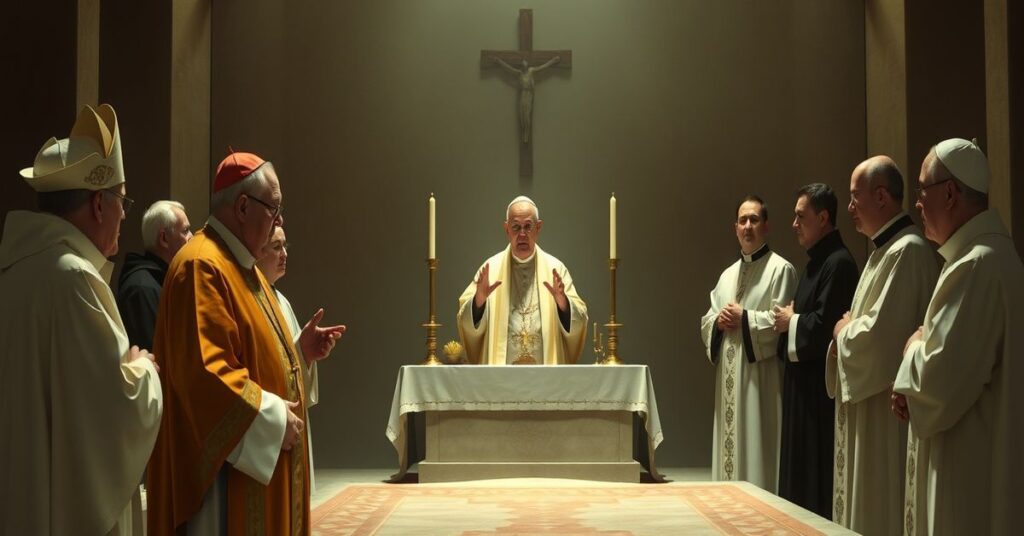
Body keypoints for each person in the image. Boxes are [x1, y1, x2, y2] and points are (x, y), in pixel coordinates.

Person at [146, 151, 345, 535]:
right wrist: (271, 417)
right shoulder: (201, 265)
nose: (280, 220)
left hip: (257, 472)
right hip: (225, 487)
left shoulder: (243, 268)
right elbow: (205, 373)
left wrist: (298, 355)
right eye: (274, 208)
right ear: (241, 207)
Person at [0, 104, 162, 535]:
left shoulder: (14, 269)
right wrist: (143, 371)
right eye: (122, 201)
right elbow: (114, 412)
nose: (125, 214)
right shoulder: (76, 280)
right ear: (97, 204)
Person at [892, 138, 1023, 535]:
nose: (916, 204)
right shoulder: (995, 257)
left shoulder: (975, 266)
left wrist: (913, 346)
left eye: (921, 191)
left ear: (949, 193)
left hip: (966, 468)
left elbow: (938, 380)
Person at [825, 156, 939, 533]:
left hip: (884, 410)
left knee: (879, 504)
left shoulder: (906, 251)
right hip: (869, 403)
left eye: (856, 197)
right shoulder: (882, 252)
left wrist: (843, 331)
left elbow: (879, 336)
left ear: (881, 196)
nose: (851, 207)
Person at [773, 183, 859, 518]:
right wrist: (792, 320)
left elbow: (825, 329)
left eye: (800, 216)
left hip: (818, 397)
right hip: (801, 387)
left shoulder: (838, 264)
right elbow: (805, 318)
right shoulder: (814, 264)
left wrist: (791, 320)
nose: (794, 224)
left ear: (823, 218)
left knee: (813, 479)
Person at [700, 195, 796, 492]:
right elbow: (707, 318)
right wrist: (717, 322)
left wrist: (745, 318)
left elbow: (783, 323)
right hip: (729, 381)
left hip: (760, 383)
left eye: (754, 219)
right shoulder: (727, 275)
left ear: (766, 226)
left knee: (758, 449)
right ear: (735, 228)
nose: (748, 226)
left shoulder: (781, 270)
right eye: (743, 220)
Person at [457, 195, 588, 365]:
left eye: (528, 226)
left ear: (538, 227)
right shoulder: (491, 269)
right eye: (516, 227)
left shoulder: (555, 269)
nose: (522, 234)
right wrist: (478, 302)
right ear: (506, 229)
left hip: (545, 378)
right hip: (501, 379)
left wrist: (563, 304)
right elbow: (465, 322)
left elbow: (580, 321)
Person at [256, 225, 338, 493]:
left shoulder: (281, 300)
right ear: (258, 252)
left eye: (285, 247)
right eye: (276, 247)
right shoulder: (252, 299)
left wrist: (307, 355)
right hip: (270, 417)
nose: (284, 254)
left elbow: (291, 359)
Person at [116, 200, 193, 349]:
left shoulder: (161, 278)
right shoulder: (142, 289)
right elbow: (153, 354)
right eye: (185, 231)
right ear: (164, 238)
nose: (192, 237)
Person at [492, 56, 561, 143]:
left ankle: (526, 134)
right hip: (523, 94)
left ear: (527, 65)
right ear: (522, 65)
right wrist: (499, 61)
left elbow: (542, 67)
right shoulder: (520, 73)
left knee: (527, 116)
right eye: (522, 63)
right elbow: (509, 68)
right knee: (522, 116)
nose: (524, 64)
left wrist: (553, 61)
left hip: (528, 94)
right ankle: (523, 131)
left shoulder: (531, 71)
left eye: (525, 63)